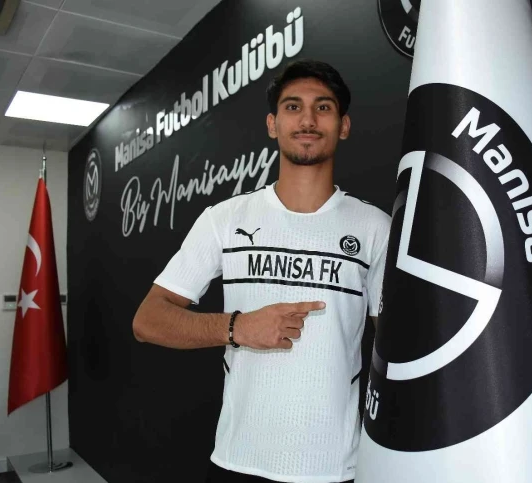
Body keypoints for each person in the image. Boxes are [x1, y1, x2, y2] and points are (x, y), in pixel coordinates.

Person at [133, 59, 391, 483]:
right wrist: (238, 328)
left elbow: (395, 345)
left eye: (323, 107)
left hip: (334, 468)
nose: (307, 120)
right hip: (239, 460)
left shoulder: (375, 227)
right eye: (293, 107)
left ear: (343, 126)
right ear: (273, 124)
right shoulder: (224, 218)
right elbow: (148, 320)